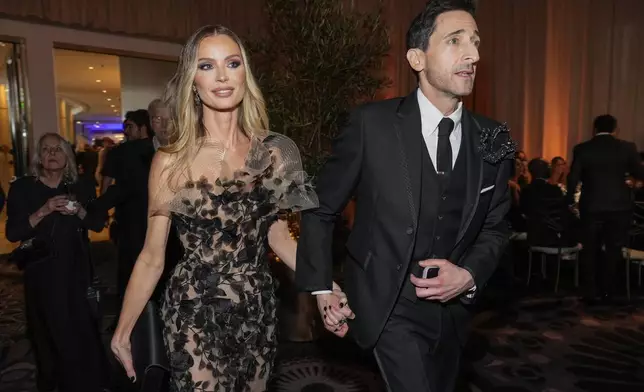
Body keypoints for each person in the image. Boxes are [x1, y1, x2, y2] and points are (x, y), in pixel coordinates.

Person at [110, 25, 346, 390]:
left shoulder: (275, 152)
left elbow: (279, 237)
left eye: (232, 63)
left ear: (244, 75)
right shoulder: (171, 161)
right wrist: (123, 331)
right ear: (193, 82)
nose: (221, 76)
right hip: (194, 307)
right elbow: (152, 257)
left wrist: (325, 285)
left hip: (257, 305)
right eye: (206, 66)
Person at [296, 1, 514, 391]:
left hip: (455, 312)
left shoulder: (492, 137)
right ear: (417, 58)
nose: (474, 54)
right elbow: (319, 207)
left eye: (476, 42)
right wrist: (322, 287)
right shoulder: (371, 125)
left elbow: (497, 227)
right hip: (388, 303)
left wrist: (467, 276)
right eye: (455, 41)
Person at [6, 133, 109, 392]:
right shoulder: (23, 187)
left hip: (76, 269)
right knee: (47, 332)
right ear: (39, 157)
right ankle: (53, 383)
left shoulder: (81, 185)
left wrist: (80, 210)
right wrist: (44, 210)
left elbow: (98, 224)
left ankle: (84, 382)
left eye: (58, 149)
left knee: (80, 328)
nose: (52, 153)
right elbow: (13, 233)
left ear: (67, 157)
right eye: (46, 149)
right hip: (42, 270)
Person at [567, 114, 644, 302]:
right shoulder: (627, 148)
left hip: (591, 204)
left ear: (594, 129)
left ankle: (590, 291)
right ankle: (608, 290)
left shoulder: (582, 149)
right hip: (619, 206)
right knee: (613, 249)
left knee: (590, 248)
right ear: (615, 129)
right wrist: (633, 182)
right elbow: (640, 173)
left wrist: (570, 199)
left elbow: (573, 177)